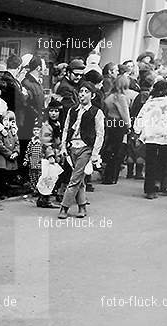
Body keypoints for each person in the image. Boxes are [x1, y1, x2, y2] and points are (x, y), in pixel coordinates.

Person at [58, 82, 104, 219]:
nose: (82, 94)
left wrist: (95, 153)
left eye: (86, 92)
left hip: (86, 148)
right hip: (72, 147)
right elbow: (66, 129)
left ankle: (64, 207)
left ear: (92, 95)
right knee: (80, 179)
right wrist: (63, 146)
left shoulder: (96, 112)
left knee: (75, 178)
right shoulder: (72, 111)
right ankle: (82, 206)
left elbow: (100, 133)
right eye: (81, 91)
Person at [133, 80, 167, 199]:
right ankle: (160, 183)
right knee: (165, 161)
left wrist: (138, 132)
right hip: (166, 136)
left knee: (150, 162)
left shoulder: (149, 103)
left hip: (150, 136)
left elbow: (140, 117)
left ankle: (149, 189)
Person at [101, 75, 131, 184]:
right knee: (117, 151)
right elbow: (125, 114)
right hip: (118, 123)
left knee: (110, 149)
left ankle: (107, 175)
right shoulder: (120, 97)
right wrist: (128, 126)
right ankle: (111, 176)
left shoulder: (109, 96)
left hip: (109, 122)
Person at [0, 110, 19, 199]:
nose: (7, 123)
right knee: (1, 176)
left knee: (7, 175)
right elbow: (0, 145)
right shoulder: (0, 132)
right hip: (2, 158)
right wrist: (9, 154)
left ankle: (4, 191)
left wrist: (16, 152)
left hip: (11, 156)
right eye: (5, 120)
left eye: (10, 121)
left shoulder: (13, 132)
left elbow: (17, 143)